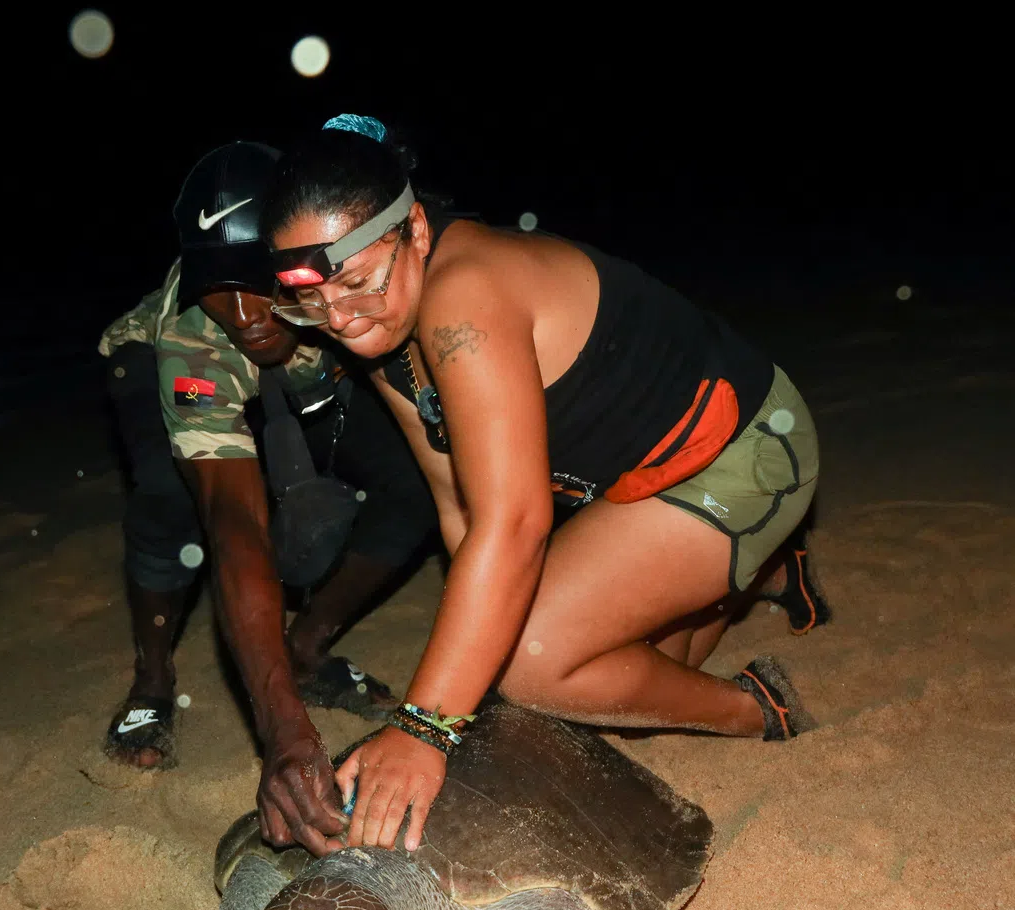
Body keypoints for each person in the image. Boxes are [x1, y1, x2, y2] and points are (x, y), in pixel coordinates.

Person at [261, 114, 831, 855]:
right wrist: (465, 687)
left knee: (535, 659)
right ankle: (752, 574)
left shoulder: (464, 297)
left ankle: (757, 708)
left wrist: (426, 724)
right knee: (598, 684)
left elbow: (516, 525)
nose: (338, 318)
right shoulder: (381, 330)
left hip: (744, 452)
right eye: (309, 301)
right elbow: (460, 507)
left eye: (359, 283)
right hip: (628, 486)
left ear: (419, 232)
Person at [98, 141, 437, 854]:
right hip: (163, 361)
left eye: (261, 284)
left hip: (315, 351)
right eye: (219, 286)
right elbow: (235, 521)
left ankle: (308, 647)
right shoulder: (201, 328)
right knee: (173, 502)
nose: (247, 312)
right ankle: (152, 681)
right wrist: (281, 727)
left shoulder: (340, 288)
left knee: (415, 480)